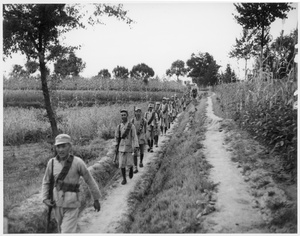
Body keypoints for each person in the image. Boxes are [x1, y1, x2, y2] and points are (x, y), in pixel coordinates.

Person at [42, 134, 101, 233]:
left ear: (70, 146)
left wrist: (96, 198)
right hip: (57, 203)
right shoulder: (51, 163)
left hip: (72, 203)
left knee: (66, 232)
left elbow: (89, 180)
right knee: (61, 229)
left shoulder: (78, 162)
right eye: (58, 147)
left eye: (63, 146)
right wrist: (45, 198)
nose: (60, 150)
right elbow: (46, 181)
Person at [114, 109, 139, 185]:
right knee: (121, 164)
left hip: (129, 148)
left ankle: (131, 169)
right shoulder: (118, 127)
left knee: (130, 163)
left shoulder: (131, 126)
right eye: (122, 115)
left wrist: (135, 146)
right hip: (121, 148)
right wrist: (115, 147)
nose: (123, 116)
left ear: (127, 115)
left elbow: (134, 137)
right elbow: (116, 138)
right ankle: (124, 179)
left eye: (124, 115)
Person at [131, 107, 147, 173]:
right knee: (135, 153)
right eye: (137, 111)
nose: (138, 113)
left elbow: (145, 129)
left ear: (141, 112)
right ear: (135, 112)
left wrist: (144, 135)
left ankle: (141, 161)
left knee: (142, 152)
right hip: (135, 139)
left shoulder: (144, 120)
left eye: (139, 111)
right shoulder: (132, 120)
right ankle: (135, 167)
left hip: (141, 138)